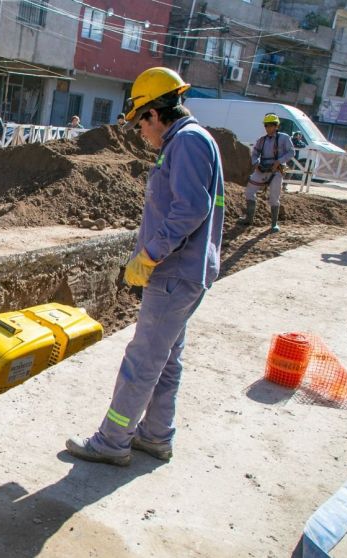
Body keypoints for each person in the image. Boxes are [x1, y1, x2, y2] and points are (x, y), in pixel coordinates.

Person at [65, 66, 224, 467]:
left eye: (141, 124)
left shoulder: (186, 142)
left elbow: (191, 209)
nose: (141, 133)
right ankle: (154, 436)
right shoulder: (192, 141)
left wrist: (151, 254)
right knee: (166, 359)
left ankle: (112, 440)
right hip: (186, 272)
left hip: (174, 272)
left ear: (154, 113)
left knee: (143, 360)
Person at [241, 113, 294, 232]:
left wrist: (279, 162)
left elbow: (291, 153)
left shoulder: (284, 138)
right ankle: (249, 218)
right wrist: (257, 163)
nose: (268, 128)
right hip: (263, 168)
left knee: (274, 197)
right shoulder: (262, 140)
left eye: (270, 125)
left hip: (277, 170)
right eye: (266, 126)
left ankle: (274, 224)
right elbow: (255, 153)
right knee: (249, 190)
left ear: (276, 126)